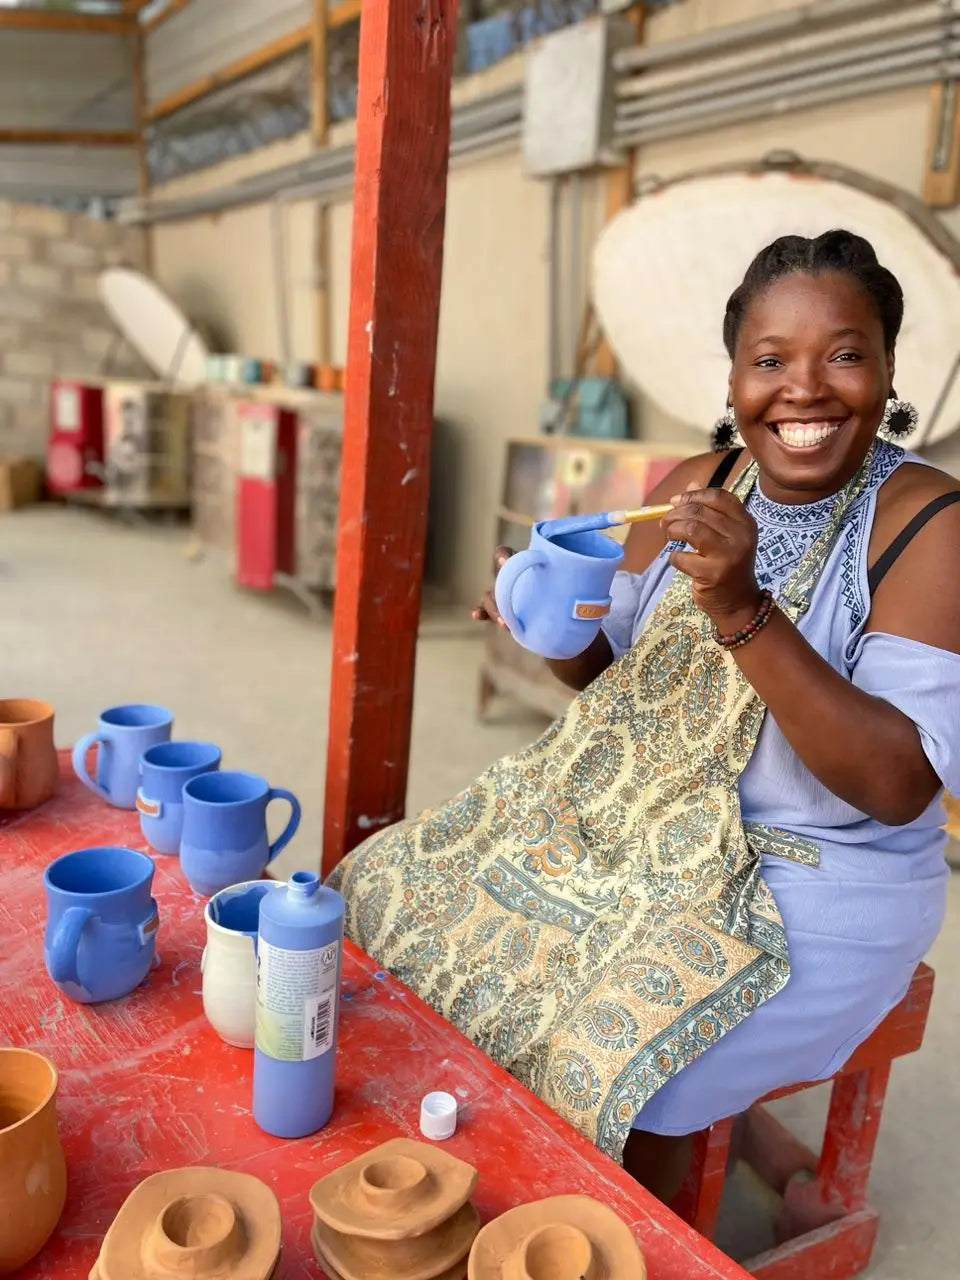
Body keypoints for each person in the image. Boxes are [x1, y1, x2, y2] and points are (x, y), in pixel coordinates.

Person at [330, 230, 959, 1199]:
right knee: (389, 892)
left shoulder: (932, 523)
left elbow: (894, 783)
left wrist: (745, 609)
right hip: (650, 826)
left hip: (823, 871)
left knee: (626, 1050)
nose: (805, 388)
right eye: (769, 360)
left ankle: (629, 1231)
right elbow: (612, 680)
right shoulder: (694, 484)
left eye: (842, 353)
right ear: (734, 378)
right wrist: (549, 617)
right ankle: (463, 1200)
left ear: (884, 369)